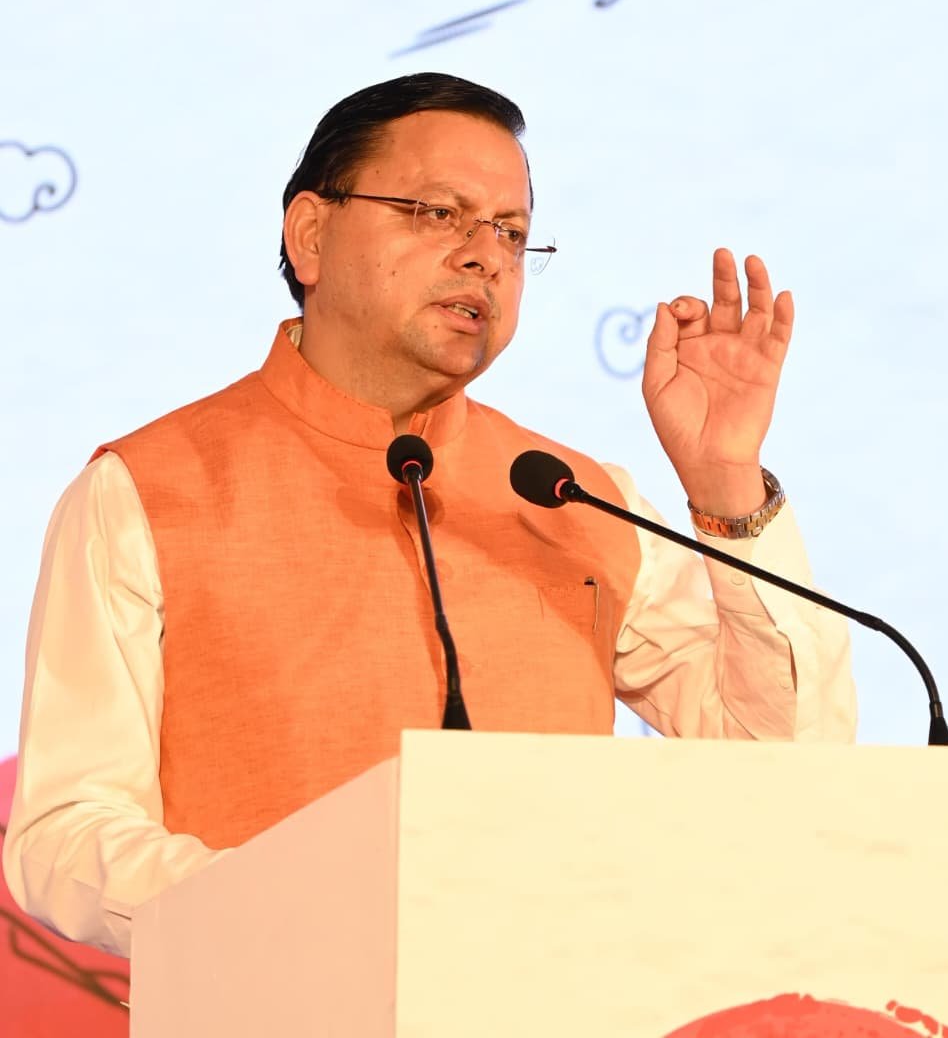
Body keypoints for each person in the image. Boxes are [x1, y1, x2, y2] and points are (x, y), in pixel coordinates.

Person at [3, 73, 856, 958]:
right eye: (439, 214)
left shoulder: (575, 497)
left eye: (512, 232)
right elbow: (66, 832)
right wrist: (286, 908)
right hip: (278, 991)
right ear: (311, 235)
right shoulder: (146, 492)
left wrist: (725, 481)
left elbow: (788, 766)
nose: (487, 256)